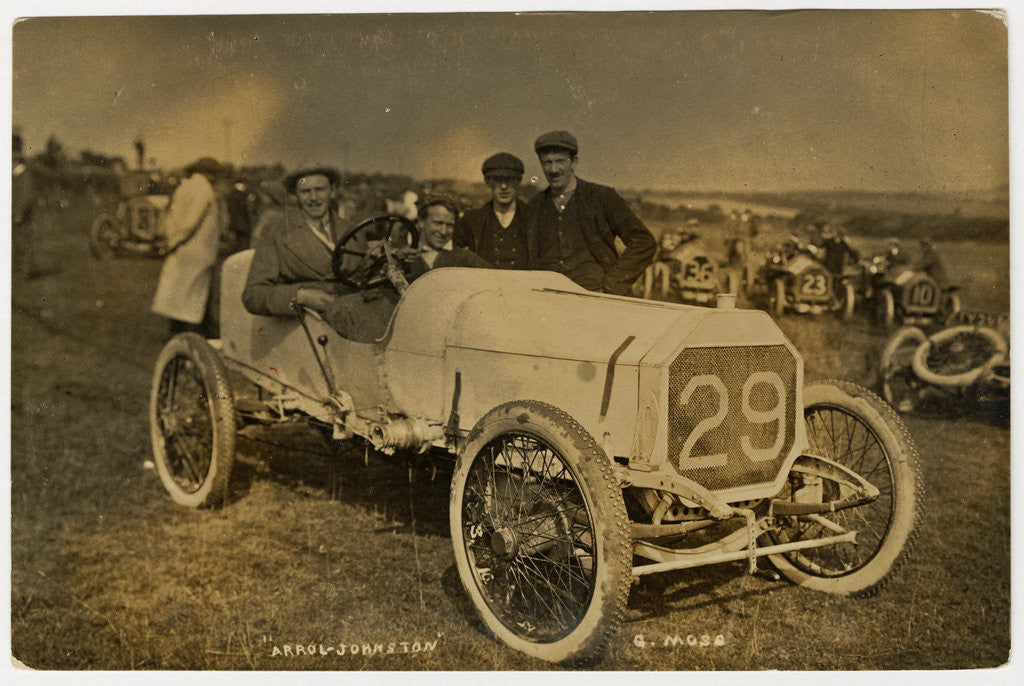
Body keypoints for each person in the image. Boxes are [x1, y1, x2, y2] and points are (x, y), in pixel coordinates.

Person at [323, 195, 488, 342]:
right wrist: (390, 265)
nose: (443, 231)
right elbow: (368, 288)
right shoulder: (400, 255)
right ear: (422, 222)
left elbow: (492, 281)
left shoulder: (465, 259)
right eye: (437, 223)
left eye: (449, 225)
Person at [526, 130, 656, 295]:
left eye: (560, 161)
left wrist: (613, 284)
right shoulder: (535, 206)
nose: (553, 169)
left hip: (594, 296)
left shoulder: (601, 197)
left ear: (574, 162)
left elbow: (643, 242)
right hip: (547, 297)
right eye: (547, 162)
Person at [242, 166, 353, 318]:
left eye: (320, 189)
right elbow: (254, 296)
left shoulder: (352, 230)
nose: (314, 198)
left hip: (352, 314)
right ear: (296, 195)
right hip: (305, 322)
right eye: (305, 191)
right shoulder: (276, 232)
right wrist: (301, 296)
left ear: (332, 191)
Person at [151, 156, 228, 336]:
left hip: (183, 251)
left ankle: (182, 338)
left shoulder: (185, 187)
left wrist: (170, 241)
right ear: (210, 174)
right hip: (196, 252)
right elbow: (190, 222)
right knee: (192, 303)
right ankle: (193, 341)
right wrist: (174, 241)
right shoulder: (203, 189)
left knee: (181, 300)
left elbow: (172, 217)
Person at [454, 152, 530, 269]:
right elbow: (449, 249)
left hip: (526, 285)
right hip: (484, 285)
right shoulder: (472, 220)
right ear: (488, 182)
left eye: (509, 179)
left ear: (518, 181)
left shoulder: (533, 218)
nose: (503, 186)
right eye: (497, 180)